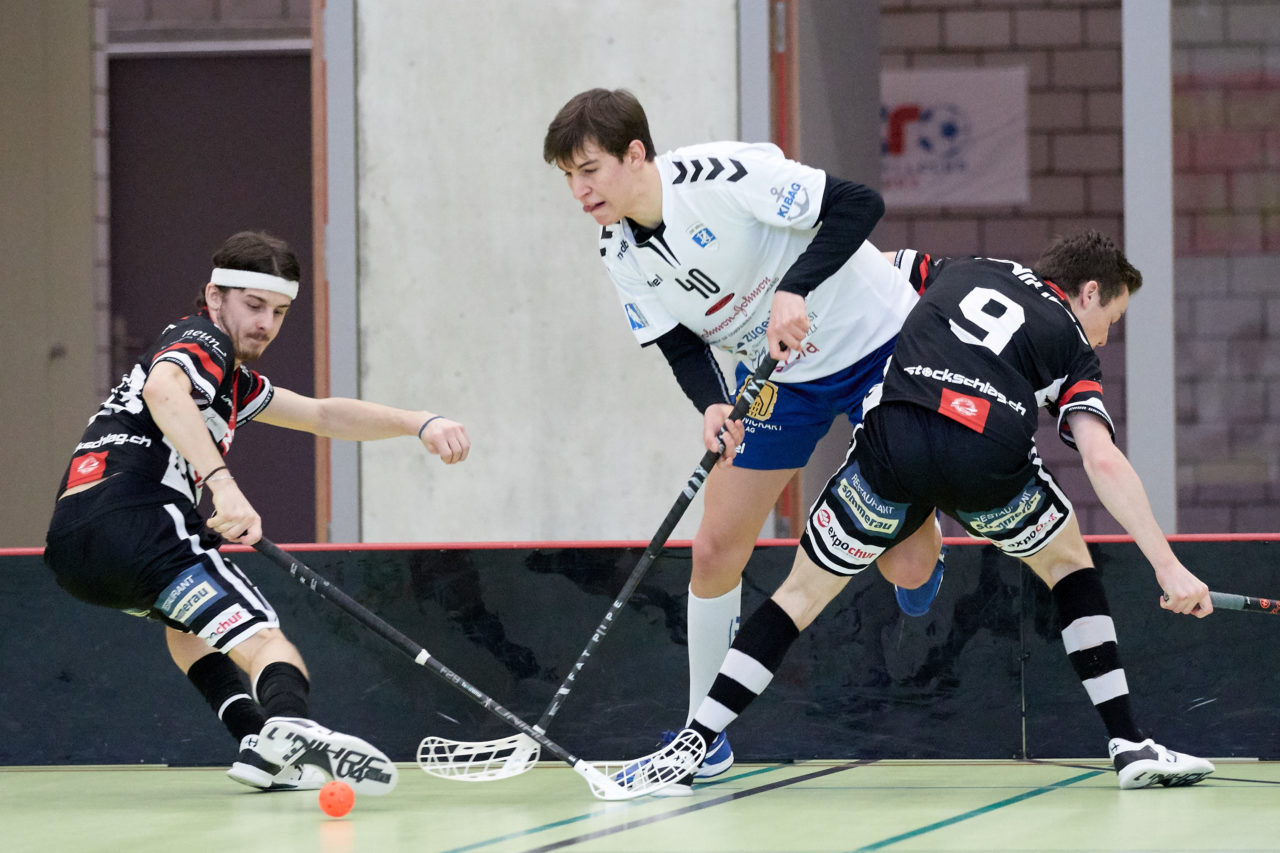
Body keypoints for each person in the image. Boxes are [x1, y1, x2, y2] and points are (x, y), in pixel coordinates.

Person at [651, 230, 1216, 792]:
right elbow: (1102, 459)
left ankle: (693, 744)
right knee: (1069, 566)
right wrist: (1168, 567)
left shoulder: (967, 267)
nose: (1105, 338)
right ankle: (1128, 744)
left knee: (798, 595)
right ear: (1089, 292)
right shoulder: (1073, 346)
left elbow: (862, 266)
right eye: (1112, 320)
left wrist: (773, 314)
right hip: (986, 460)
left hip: (895, 439)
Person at [543, 88, 946, 787]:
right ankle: (703, 739)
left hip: (877, 341)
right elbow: (677, 341)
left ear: (635, 155)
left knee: (906, 568)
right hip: (779, 377)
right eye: (568, 177)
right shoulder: (617, 249)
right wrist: (711, 404)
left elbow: (859, 205)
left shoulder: (723, 178)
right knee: (712, 548)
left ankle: (925, 543)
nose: (579, 191)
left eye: (589, 170)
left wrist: (794, 287)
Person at [44, 231, 471, 794]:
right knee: (266, 641)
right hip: (139, 517)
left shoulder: (231, 382)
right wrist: (223, 485)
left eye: (279, 311)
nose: (266, 323)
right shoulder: (201, 339)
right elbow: (164, 390)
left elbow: (321, 415)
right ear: (214, 296)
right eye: (253, 305)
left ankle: (255, 740)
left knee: (187, 625)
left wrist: (418, 421)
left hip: (75, 549)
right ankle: (292, 727)